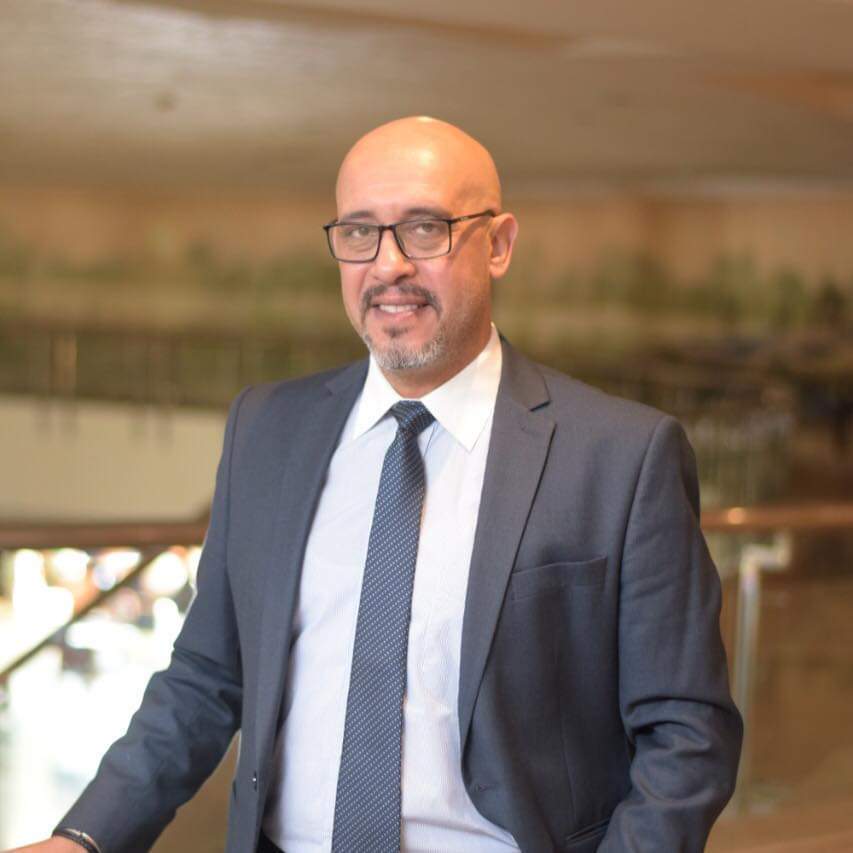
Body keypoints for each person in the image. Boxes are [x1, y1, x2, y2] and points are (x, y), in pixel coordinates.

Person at [11, 116, 742, 853]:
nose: (388, 265)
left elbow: (687, 733)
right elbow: (206, 676)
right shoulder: (267, 429)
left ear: (497, 244)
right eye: (360, 232)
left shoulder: (620, 456)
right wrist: (84, 838)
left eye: (425, 229)